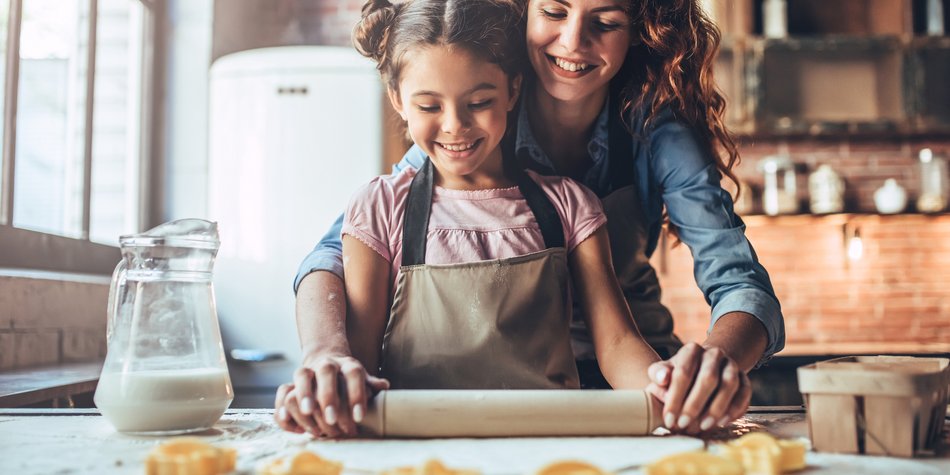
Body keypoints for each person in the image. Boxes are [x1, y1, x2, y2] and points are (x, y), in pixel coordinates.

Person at [278, 0, 785, 437]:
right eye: (553, 11)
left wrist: (706, 369)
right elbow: (335, 253)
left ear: (643, 31)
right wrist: (327, 354)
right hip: (467, 400)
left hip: (622, 382)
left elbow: (737, 280)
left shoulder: (651, 130)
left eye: (605, 22)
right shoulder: (468, 117)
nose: (573, 42)